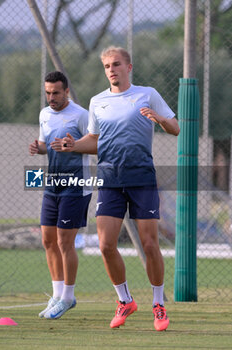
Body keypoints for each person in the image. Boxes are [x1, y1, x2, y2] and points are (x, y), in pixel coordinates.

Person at [52, 47, 180, 331]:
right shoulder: (98, 102)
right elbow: (96, 141)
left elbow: (175, 128)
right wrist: (74, 146)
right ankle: (125, 301)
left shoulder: (147, 94)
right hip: (109, 180)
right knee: (106, 245)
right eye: (107, 65)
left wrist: (157, 118)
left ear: (129, 67)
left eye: (116, 64)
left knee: (149, 245)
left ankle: (158, 304)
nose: (111, 69)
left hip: (142, 178)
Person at [29, 71, 92, 319]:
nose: (51, 97)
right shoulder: (44, 114)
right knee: (48, 240)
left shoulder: (81, 115)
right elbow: (47, 145)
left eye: (55, 92)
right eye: (47, 92)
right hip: (52, 184)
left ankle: (68, 297)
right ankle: (56, 295)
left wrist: (74, 145)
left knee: (65, 242)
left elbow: (98, 145)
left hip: (76, 185)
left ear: (66, 91)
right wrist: (39, 148)